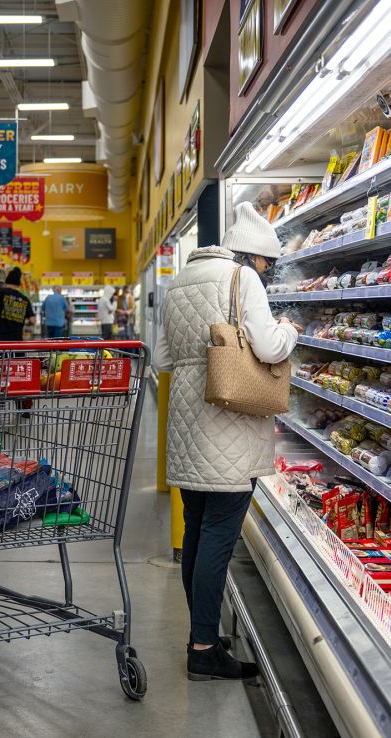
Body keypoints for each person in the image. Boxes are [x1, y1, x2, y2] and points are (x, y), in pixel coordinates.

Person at [153, 201, 301, 681]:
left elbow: (162, 358)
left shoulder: (180, 280)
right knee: (219, 537)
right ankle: (202, 648)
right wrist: (289, 330)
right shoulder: (244, 279)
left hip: (187, 423)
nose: (268, 272)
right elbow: (268, 347)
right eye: (268, 264)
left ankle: (202, 634)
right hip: (229, 424)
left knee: (196, 531)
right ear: (255, 257)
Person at [0, 267, 35, 341]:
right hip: (16, 340)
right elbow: (33, 320)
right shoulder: (24, 299)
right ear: (18, 283)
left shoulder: (1, 291)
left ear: (7, 280)